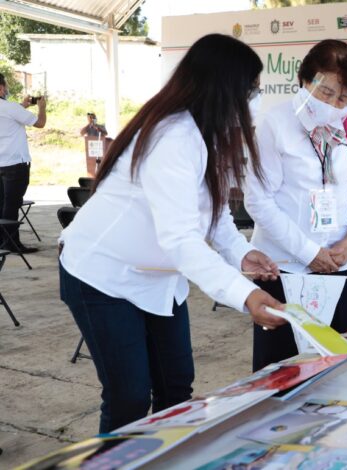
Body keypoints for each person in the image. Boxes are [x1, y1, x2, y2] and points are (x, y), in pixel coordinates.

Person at [58, 34, 286, 433]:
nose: (256, 97)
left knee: (175, 389)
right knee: (129, 397)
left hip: (160, 280)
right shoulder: (173, 136)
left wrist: (239, 253)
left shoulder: (211, 134)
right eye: (251, 89)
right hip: (104, 277)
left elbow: (211, 212)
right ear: (223, 87)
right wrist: (245, 294)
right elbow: (180, 239)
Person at [244, 39, 347, 371]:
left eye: (345, 97)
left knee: (330, 365)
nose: (335, 104)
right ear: (304, 79)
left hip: (340, 263)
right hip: (285, 267)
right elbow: (259, 200)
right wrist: (309, 253)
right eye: (326, 92)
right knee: (280, 369)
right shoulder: (275, 122)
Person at [0, 73, 46, 253]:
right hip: (15, 165)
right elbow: (40, 123)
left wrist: (23, 106)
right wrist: (41, 107)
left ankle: (3, 241)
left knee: (2, 204)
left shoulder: (11, 109)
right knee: (11, 204)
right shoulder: (10, 108)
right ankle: (12, 243)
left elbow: (7, 117)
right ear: (1, 88)